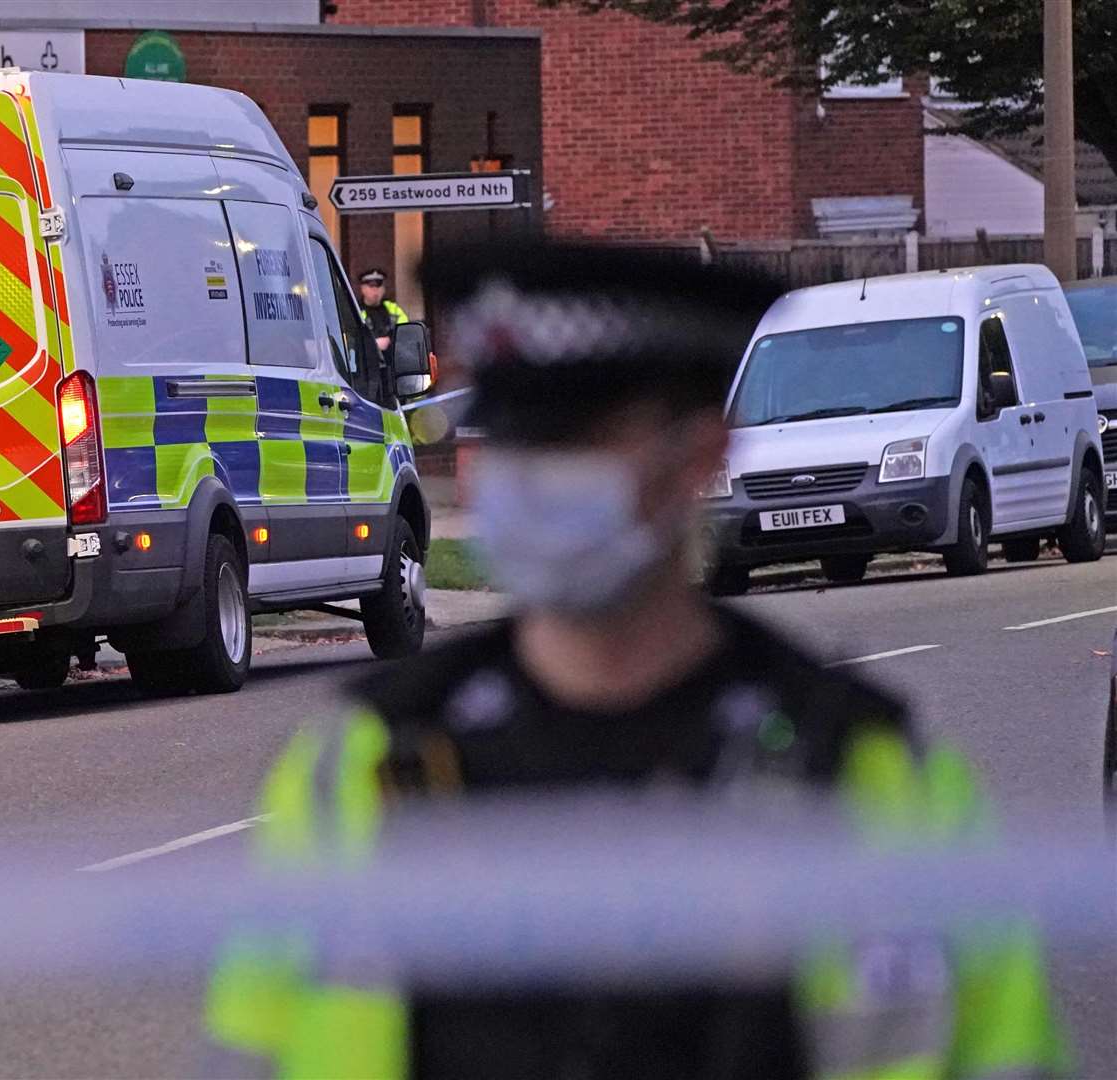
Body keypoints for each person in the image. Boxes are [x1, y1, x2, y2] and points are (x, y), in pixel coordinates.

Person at [204, 239, 1070, 1079]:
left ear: (701, 450)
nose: (533, 476)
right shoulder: (361, 772)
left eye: (578, 439)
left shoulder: (864, 774)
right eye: (512, 440)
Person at [359, 268, 410, 361]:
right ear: (363, 288)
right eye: (371, 286)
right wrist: (373, 344)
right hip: (367, 364)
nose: (375, 290)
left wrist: (390, 339)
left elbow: (405, 331)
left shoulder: (393, 309)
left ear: (383, 289)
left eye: (379, 286)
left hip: (393, 361)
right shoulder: (356, 311)